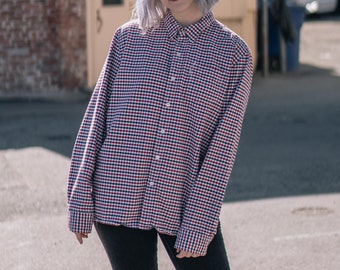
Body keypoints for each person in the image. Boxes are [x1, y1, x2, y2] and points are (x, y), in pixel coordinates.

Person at [67, 0, 253, 269]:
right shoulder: (127, 38)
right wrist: (79, 197)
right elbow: (96, 121)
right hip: (117, 193)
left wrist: (200, 222)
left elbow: (222, 149)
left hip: (183, 200)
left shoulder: (233, 54)